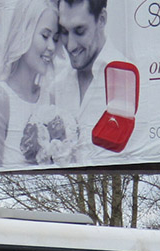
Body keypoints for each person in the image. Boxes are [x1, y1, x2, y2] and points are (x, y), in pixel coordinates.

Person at [0, 0, 61, 168]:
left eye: (55, 39)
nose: (51, 47)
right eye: (45, 36)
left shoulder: (50, 99)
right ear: (23, 33)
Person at [52, 0, 124, 150]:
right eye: (64, 32)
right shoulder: (56, 86)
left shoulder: (127, 79)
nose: (70, 46)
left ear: (102, 19)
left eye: (80, 31)